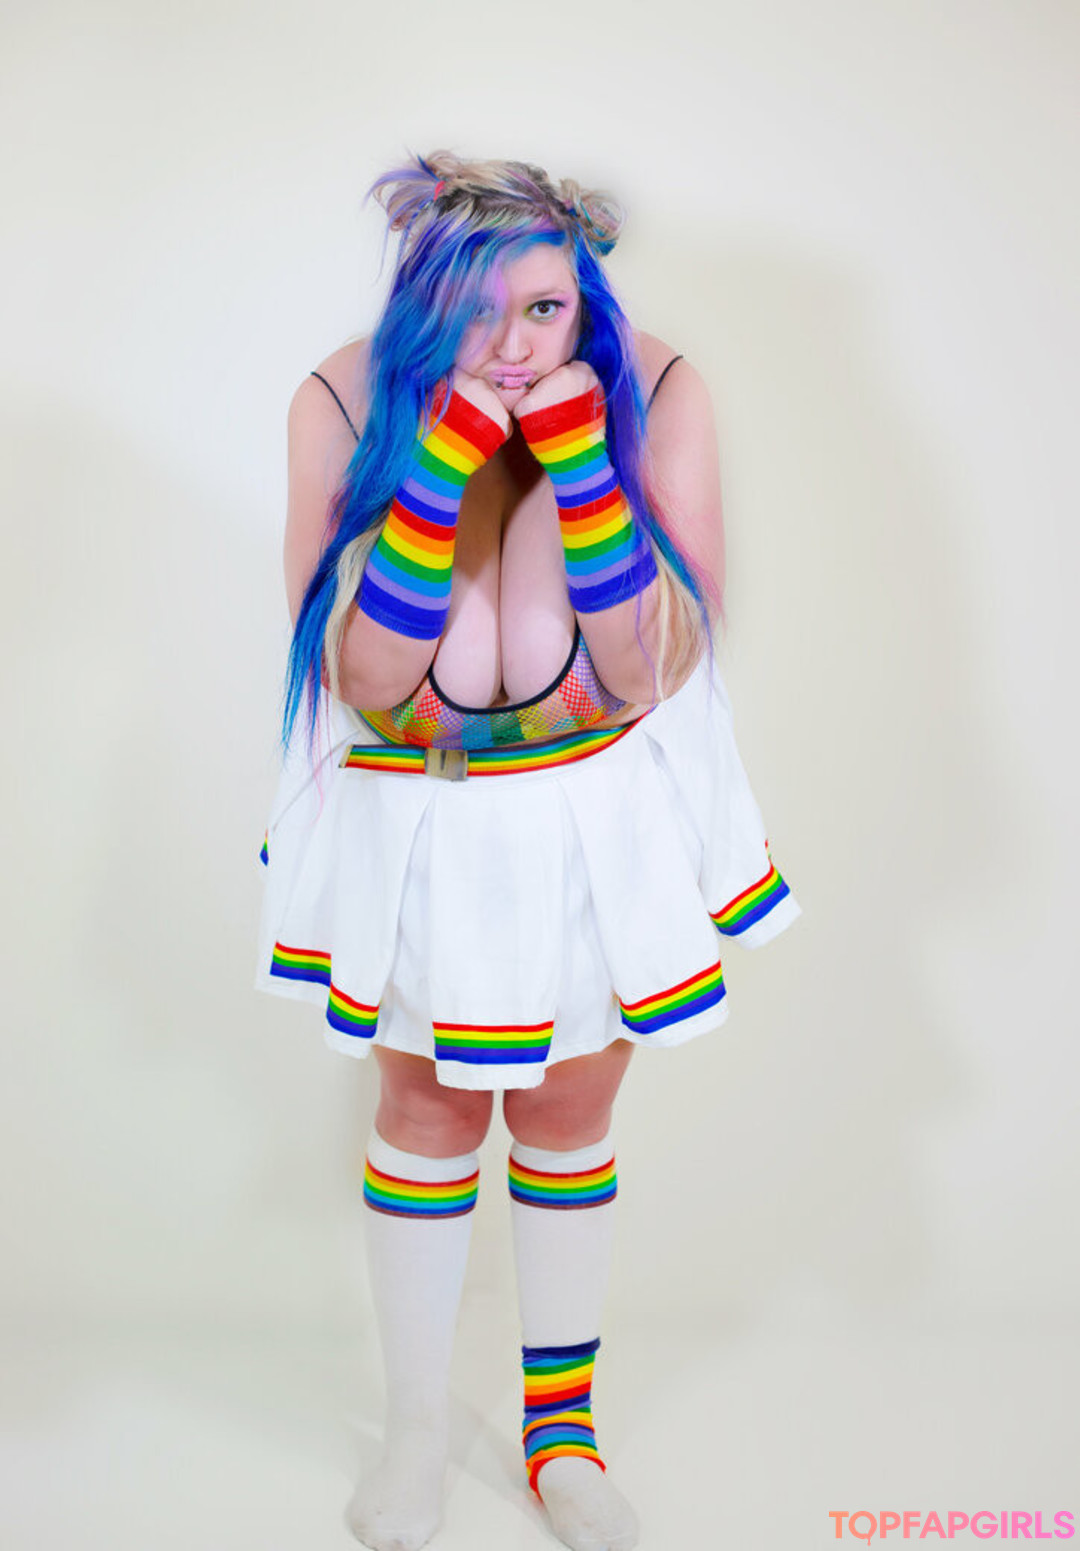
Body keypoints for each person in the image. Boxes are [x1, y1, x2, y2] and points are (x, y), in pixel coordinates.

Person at [256, 152, 799, 1551]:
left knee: (566, 1110)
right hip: (420, 811)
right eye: (476, 313)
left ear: (587, 298)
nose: (511, 347)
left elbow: (650, 670)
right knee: (428, 1112)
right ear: (420, 301)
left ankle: (562, 1437)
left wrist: (578, 460)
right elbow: (367, 680)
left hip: (592, 811)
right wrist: (444, 459)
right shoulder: (340, 399)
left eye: (546, 310)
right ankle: (418, 1434)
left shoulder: (659, 389)